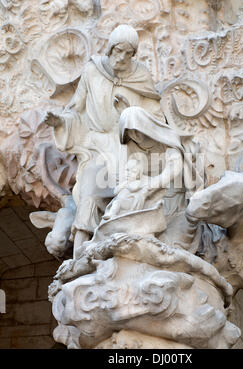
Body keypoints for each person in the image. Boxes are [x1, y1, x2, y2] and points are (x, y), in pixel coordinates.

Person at [42, 24, 165, 258]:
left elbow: (156, 118)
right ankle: (80, 252)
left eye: (128, 54)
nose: (122, 58)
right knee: (90, 189)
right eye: (118, 51)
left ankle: (127, 252)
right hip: (98, 147)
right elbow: (76, 109)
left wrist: (130, 113)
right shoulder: (93, 71)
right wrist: (60, 121)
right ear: (109, 49)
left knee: (129, 194)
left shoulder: (141, 76)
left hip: (129, 148)